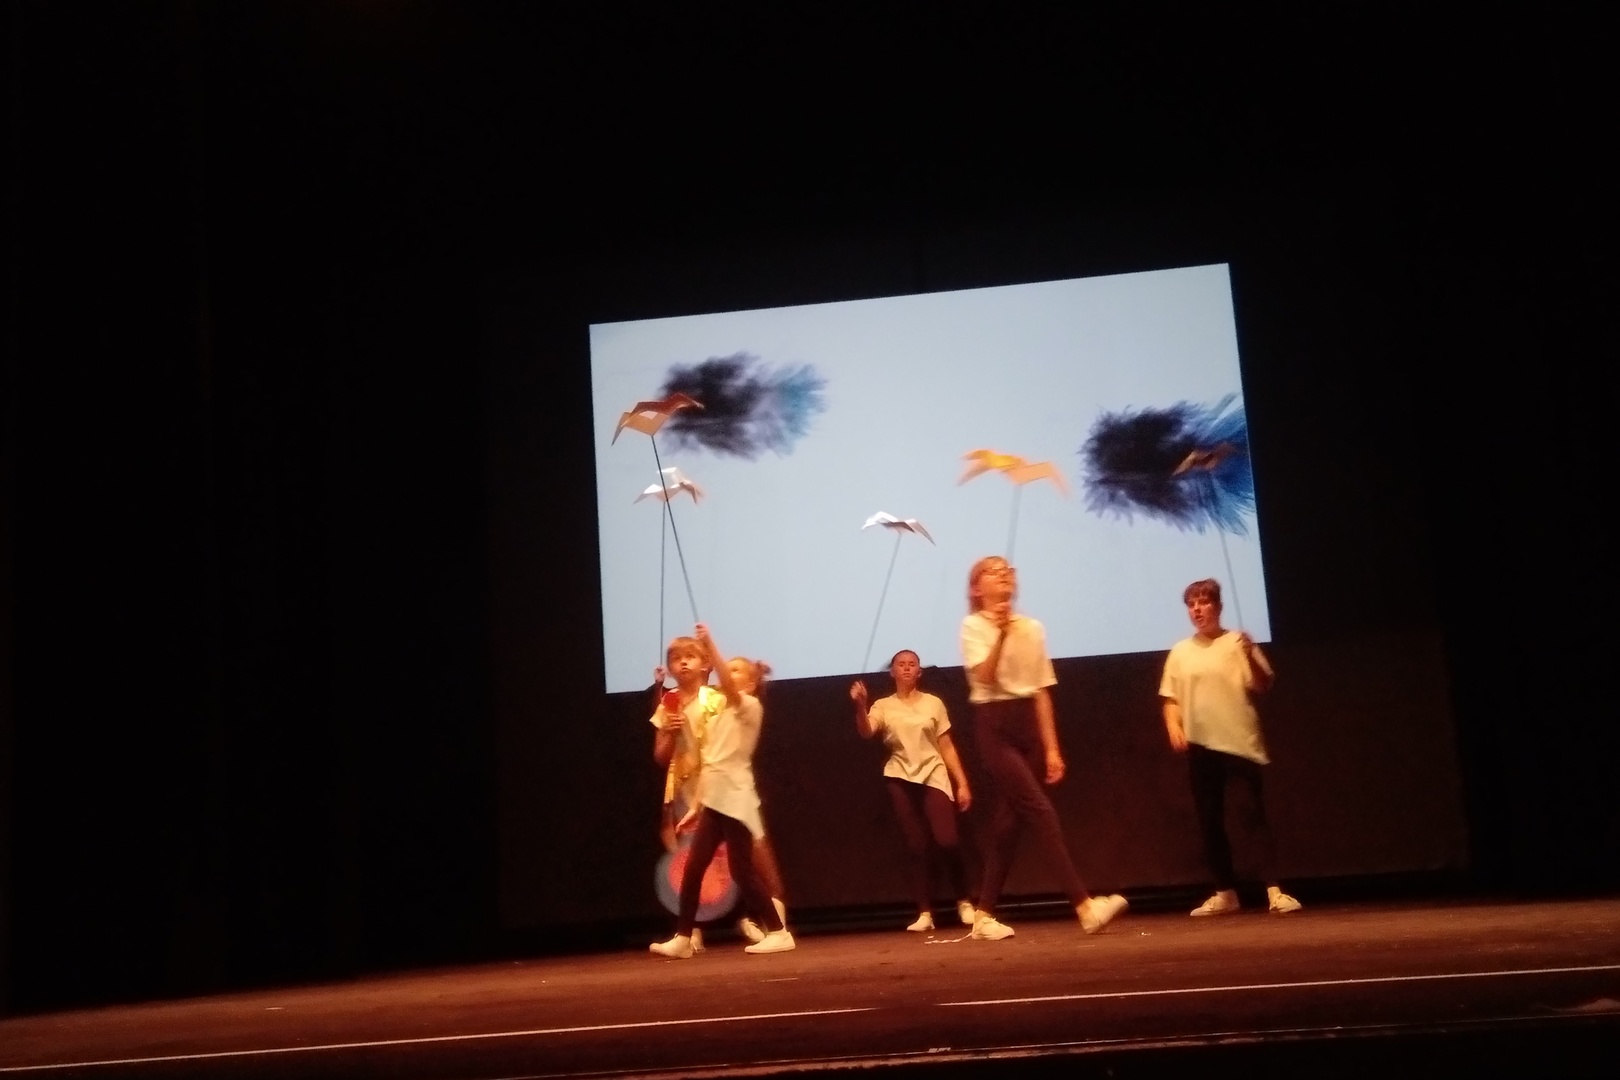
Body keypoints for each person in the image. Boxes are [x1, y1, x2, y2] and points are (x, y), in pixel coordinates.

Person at [959, 556, 1127, 940]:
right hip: (994, 725)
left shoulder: (1032, 628)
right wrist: (1001, 634)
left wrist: (1051, 748)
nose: (1002, 573)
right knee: (1040, 811)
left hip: (1028, 728)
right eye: (992, 571)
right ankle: (1085, 907)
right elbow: (984, 676)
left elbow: (1040, 691)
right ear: (976, 588)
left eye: (1006, 569)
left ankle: (983, 915)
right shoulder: (972, 626)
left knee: (1008, 825)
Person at [650, 624, 795, 957]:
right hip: (716, 797)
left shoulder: (748, 707)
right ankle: (683, 938)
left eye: (735, 671)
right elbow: (712, 762)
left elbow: (725, 684)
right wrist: (695, 807)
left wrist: (709, 643)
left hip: (735, 797)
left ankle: (778, 931)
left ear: (751, 682)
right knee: (694, 867)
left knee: (741, 869)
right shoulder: (721, 714)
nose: (726, 674)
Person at [1159, 578, 1301, 916]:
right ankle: (1225, 892)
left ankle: (1274, 891)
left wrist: (1250, 654)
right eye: (1191, 604)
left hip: (1239, 743)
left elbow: (1263, 683)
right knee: (1210, 820)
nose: (1197, 610)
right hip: (1201, 746)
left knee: (1251, 815)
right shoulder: (1180, 652)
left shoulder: (1238, 642)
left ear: (1218, 606)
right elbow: (1170, 697)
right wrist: (1173, 726)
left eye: (1203, 602)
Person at [850, 650, 977, 932]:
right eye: (901, 664)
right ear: (893, 672)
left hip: (933, 773)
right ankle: (924, 912)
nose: (906, 668)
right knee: (916, 845)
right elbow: (867, 731)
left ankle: (964, 900)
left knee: (947, 840)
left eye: (912, 665)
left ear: (919, 672)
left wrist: (962, 782)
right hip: (900, 775)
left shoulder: (934, 703)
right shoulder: (883, 705)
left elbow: (946, 745)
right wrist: (860, 705)